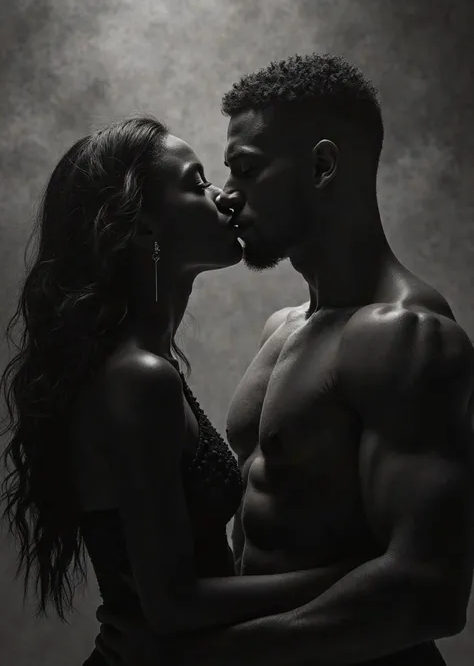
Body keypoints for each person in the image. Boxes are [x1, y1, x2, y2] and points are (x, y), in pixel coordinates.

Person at [95, 55, 474, 665]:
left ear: (323, 166)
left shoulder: (407, 337)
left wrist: (200, 657)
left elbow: (429, 593)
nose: (227, 195)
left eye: (246, 169)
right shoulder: (283, 329)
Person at [0, 115, 360, 666]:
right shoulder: (137, 378)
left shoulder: (142, 367)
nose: (225, 198)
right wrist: (354, 576)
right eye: (197, 184)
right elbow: (171, 605)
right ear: (142, 224)